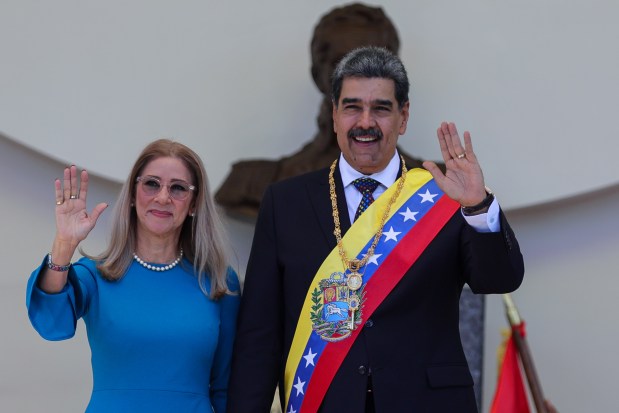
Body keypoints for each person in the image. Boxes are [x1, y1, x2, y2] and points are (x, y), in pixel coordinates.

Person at [227, 47, 524, 412]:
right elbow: (260, 335)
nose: (365, 122)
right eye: (352, 107)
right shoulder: (284, 202)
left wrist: (478, 207)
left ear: (403, 117)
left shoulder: (443, 194)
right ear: (334, 114)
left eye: (381, 108)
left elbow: (499, 279)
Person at [26, 139, 240, 412]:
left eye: (178, 188)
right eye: (151, 184)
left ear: (194, 203)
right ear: (131, 194)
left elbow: (226, 387)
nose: (163, 197)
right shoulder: (95, 275)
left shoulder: (220, 282)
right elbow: (49, 324)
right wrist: (64, 245)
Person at [215, 3, 431, 218]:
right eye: (343, 64)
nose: (360, 78)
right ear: (318, 74)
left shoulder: (435, 185)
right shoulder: (252, 183)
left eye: (372, 64)